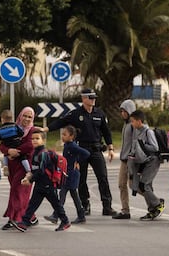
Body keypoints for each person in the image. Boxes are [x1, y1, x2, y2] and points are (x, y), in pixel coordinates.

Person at [42, 88, 117, 216]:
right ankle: (85, 204)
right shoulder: (76, 114)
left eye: (94, 98)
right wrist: (46, 129)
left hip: (96, 149)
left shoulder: (99, 114)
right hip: (81, 149)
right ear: (83, 99)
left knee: (103, 177)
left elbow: (106, 131)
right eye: (90, 97)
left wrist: (110, 148)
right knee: (81, 179)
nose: (93, 100)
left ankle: (107, 206)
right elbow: (61, 122)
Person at [13, 129, 71, 232]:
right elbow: (34, 169)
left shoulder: (43, 154)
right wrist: (28, 177)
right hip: (40, 184)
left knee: (56, 204)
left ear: (43, 140)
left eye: (37, 138)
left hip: (48, 184)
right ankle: (24, 222)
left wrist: (30, 181)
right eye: (32, 139)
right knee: (33, 204)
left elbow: (41, 170)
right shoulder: (35, 153)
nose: (34, 140)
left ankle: (65, 221)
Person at [0, 106, 38, 230]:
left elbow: (30, 145)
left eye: (30, 117)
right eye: (25, 115)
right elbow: (2, 144)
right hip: (12, 166)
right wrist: (8, 150)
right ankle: (30, 217)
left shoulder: (33, 130)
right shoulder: (12, 127)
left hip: (25, 165)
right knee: (18, 191)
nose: (26, 119)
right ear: (20, 116)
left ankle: (15, 218)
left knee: (17, 190)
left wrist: (16, 151)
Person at [44, 125, 90, 224]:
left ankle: (56, 215)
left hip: (71, 174)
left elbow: (86, 153)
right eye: (62, 134)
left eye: (65, 135)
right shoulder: (67, 145)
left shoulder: (72, 146)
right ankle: (81, 215)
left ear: (71, 136)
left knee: (62, 195)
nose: (62, 136)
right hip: (67, 173)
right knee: (74, 195)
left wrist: (78, 161)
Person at [127, 110, 165, 220]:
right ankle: (152, 210)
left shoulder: (148, 132)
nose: (132, 124)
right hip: (144, 162)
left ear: (139, 121)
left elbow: (155, 147)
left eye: (133, 121)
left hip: (153, 161)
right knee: (144, 186)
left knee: (144, 185)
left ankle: (158, 203)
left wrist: (142, 146)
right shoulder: (137, 131)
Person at [112, 99, 136, 219]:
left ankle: (155, 201)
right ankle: (125, 210)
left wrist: (132, 156)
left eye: (124, 111)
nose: (122, 114)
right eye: (121, 111)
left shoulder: (133, 125)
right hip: (124, 160)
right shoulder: (126, 124)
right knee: (122, 184)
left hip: (131, 160)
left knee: (134, 185)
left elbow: (136, 143)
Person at [0, 109, 31, 177]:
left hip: (7, 144)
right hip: (16, 144)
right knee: (23, 158)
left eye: (29, 117)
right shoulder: (15, 126)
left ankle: (5, 166)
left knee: (5, 155)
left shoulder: (0, 129)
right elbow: (21, 133)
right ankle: (28, 170)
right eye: (24, 116)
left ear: (2, 119)